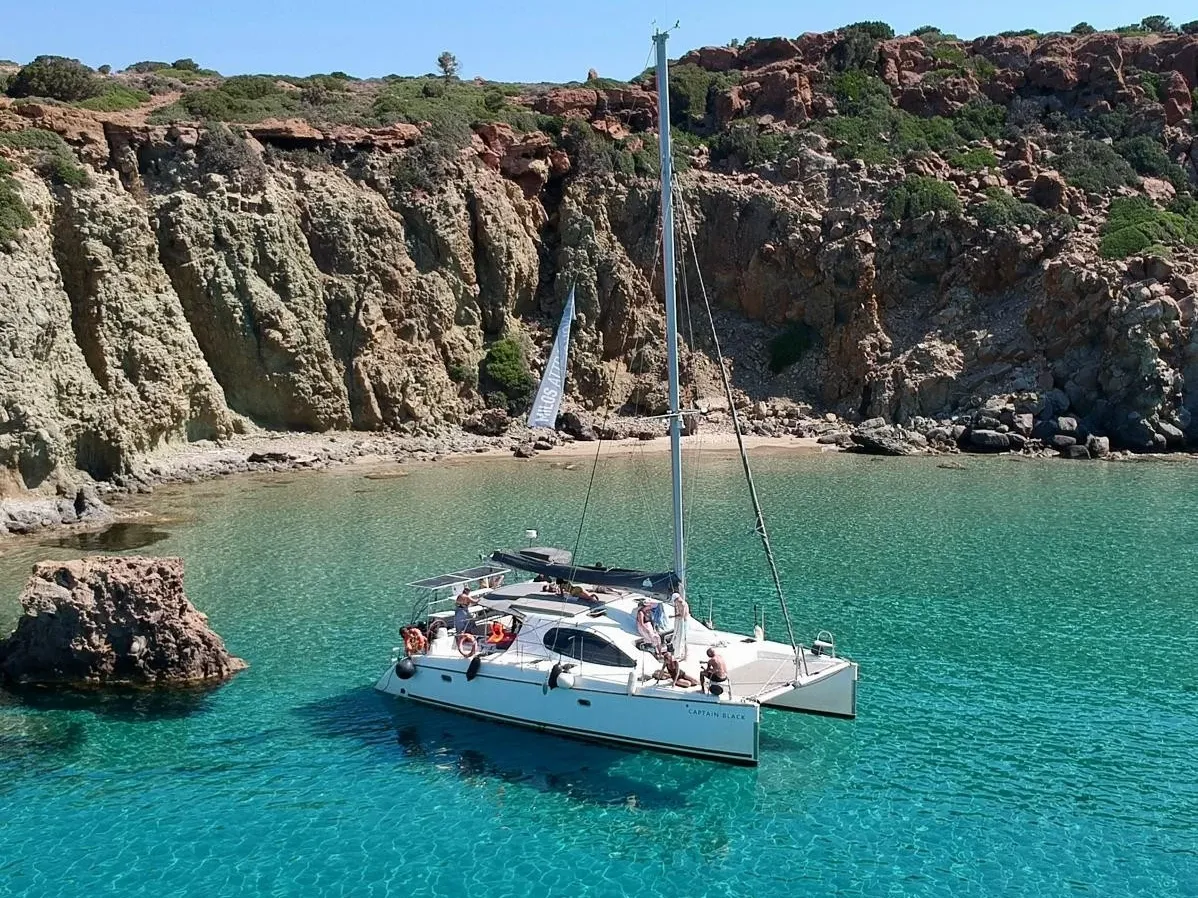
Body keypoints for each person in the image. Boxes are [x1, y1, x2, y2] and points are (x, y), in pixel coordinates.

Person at [671, 591, 690, 660]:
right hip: (681, 621)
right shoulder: (679, 604)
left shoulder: (682, 604)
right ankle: (681, 653)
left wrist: (673, 616)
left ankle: (685, 655)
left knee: (683, 638)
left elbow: (682, 615)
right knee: (679, 637)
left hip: (684, 622)